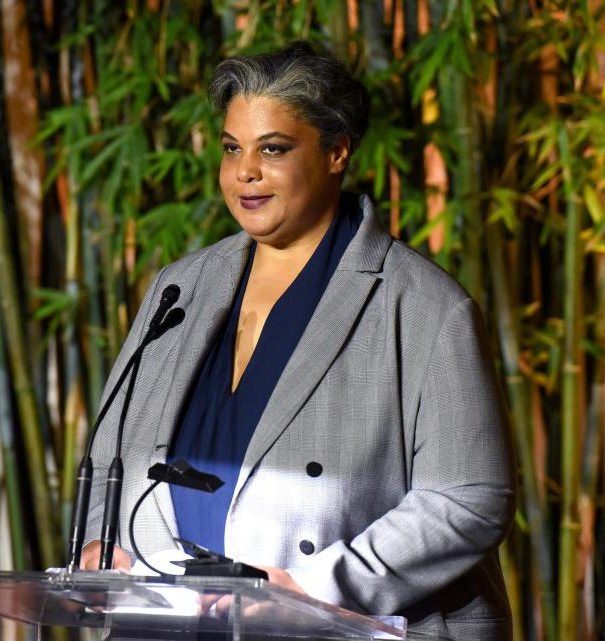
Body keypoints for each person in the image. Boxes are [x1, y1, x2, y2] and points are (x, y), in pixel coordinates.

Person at [81, 41, 516, 641]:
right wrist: (102, 550)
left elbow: (471, 498)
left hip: (329, 628)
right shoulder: (180, 286)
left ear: (336, 152)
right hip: (164, 623)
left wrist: (315, 587)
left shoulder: (421, 305)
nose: (245, 173)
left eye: (273, 149)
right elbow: (112, 455)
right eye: (232, 148)